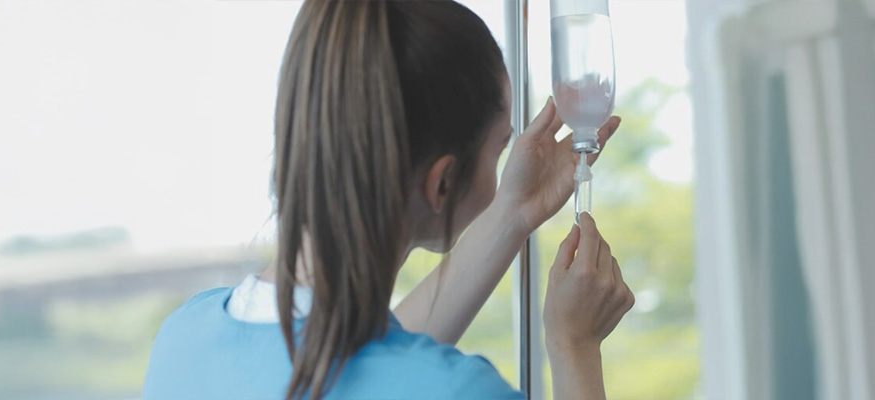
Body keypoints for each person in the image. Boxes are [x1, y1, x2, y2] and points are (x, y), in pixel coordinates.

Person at [142, 1, 633, 399]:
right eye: (498, 149)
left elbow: (374, 364)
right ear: (442, 183)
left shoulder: (184, 339)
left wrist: (512, 211)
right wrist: (574, 346)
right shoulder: (457, 390)